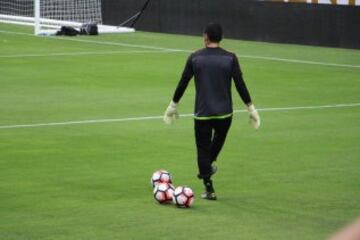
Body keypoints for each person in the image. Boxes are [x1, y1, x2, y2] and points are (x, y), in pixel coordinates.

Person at [163, 23, 260, 200]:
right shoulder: (231, 58)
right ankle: (206, 169)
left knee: (202, 149)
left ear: (205, 37)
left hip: (203, 114)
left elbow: (183, 82)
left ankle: (209, 186)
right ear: (221, 38)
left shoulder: (195, 57)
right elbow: (240, 84)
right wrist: (251, 108)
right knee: (218, 141)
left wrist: (173, 105)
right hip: (225, 114)